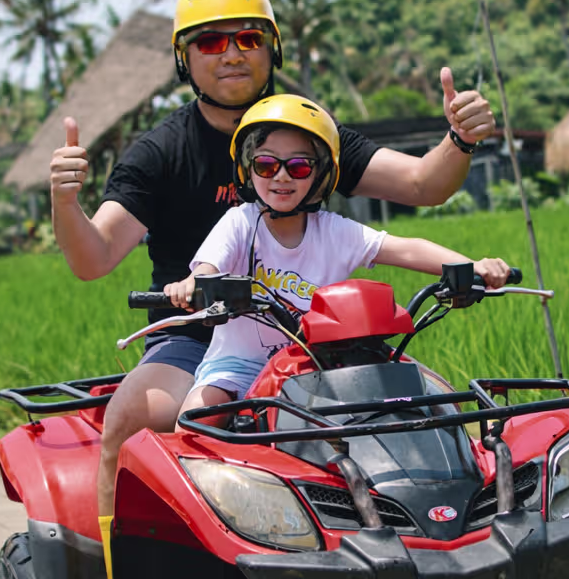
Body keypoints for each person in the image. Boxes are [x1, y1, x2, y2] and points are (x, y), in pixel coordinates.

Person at [49, 0, 498, 579]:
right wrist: (65, 202)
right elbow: (94, 255)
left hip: (319, 342)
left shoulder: (305, 130)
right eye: (211, 41)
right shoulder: (160, 152)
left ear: (273, 48)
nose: (232, 53)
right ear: (184, 59)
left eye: (249, 37)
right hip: (205, 335)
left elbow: (420, 188)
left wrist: (458, 138)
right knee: (138, 419)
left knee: (430, 412)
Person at [169, 95, 511, 413]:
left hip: (318, 366)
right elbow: (208, 267)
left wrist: (472, 267)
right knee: (198, 416)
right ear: (248, 169)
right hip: (239, 365)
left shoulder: (333, 231)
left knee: (427, 402)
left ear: (320, 173)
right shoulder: (239, 223)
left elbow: (405, 248)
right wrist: (193, 284)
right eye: (267, 166)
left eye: (299, 167)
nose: (282, 176)